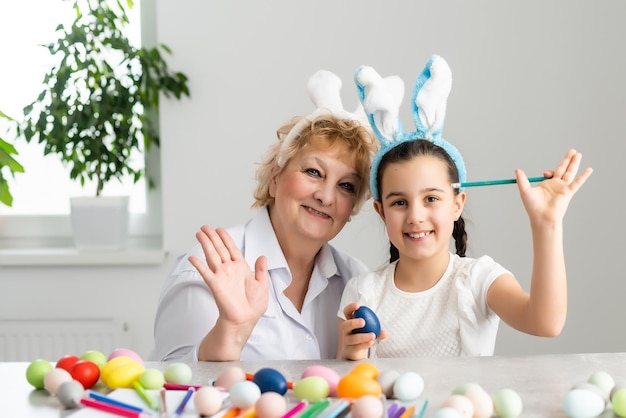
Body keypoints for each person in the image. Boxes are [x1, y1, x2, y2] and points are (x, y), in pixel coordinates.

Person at [337, 56, 593, 360]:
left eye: (431, 198)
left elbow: (546, 323)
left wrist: (546, 224)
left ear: (457, 204)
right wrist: (349, 354)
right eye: (400, 202)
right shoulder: (363, 291)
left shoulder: (478, 279)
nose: (416, 216)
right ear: (380, 211)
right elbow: (348, 386)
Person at [150, 70, 377, 361]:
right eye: (313, 172)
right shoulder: (208, 270)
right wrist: (230, 329)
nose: (326, 196)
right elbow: (173, 388)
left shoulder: (355, 281)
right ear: (274, 176)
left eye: (346, 186)